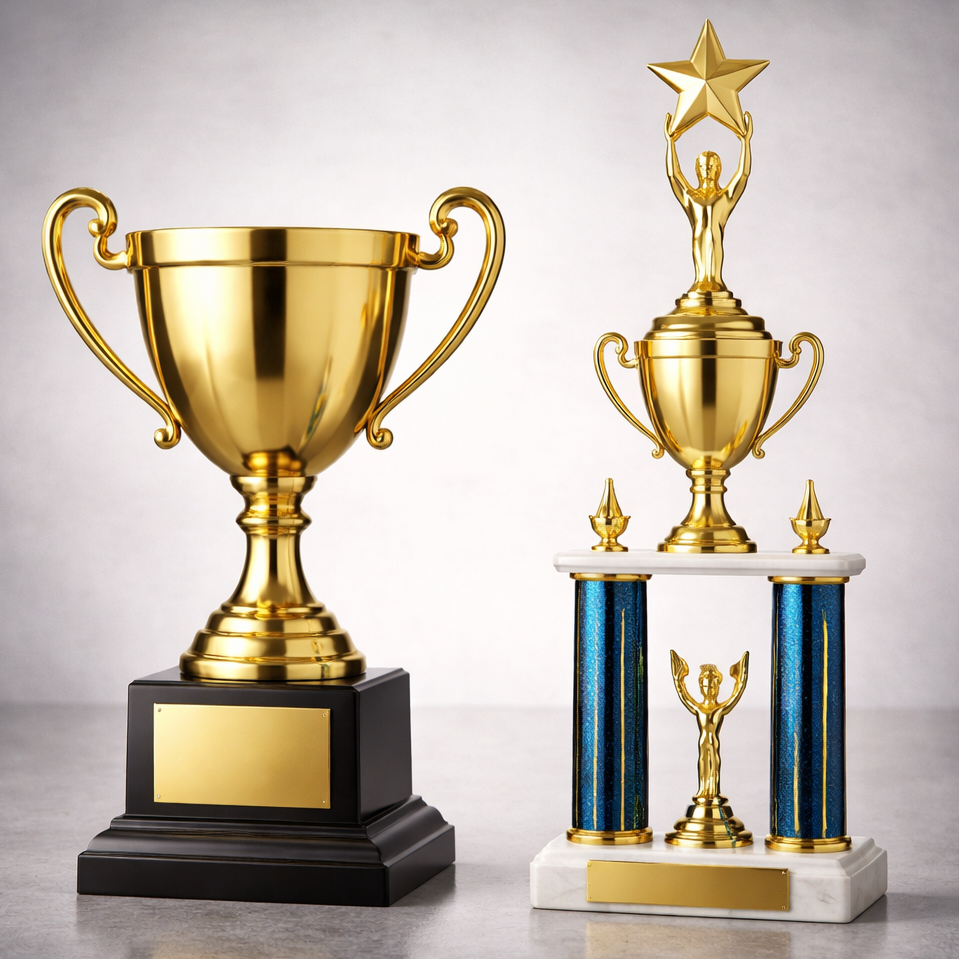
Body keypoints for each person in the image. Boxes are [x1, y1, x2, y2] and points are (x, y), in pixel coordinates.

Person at [664, 111, 753, 294]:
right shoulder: (691, 196)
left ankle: (715, 282)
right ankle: (700, 281)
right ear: (697, 170)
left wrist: (746, 142)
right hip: (698, 239)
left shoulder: (725, 197)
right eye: (703, 166)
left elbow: (742, 175)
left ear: (718, 169)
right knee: (701, 273)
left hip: (715, 240)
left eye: (711, 166)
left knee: (713, 271)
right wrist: (670, 143)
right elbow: (674, 175)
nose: (707, 169)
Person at [670, 650, 749, 799]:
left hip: (714, 743)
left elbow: (736, 695)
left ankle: (714, 792)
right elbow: (683, 694)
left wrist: (741, 679)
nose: (709, 690)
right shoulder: (699, 708)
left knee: (714, 765)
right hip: (703, 742)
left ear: (718, 687)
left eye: (713, 686)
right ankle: (703, 790)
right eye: (706, 687)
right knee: (703, 764)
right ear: (701, 687)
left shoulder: (719, 709)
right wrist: (677, 678)